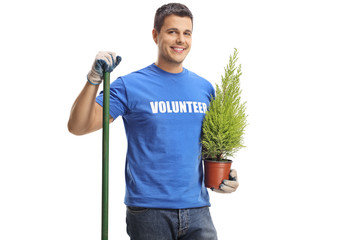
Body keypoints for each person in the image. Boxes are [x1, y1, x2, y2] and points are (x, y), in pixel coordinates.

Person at [68, 3, 239, 240]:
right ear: (155, 35)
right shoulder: (130, 85)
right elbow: (78, 126)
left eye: (186, 33)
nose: (180, 40)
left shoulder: (205, 89)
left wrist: (225, 175)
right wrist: (94, 79)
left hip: (199, 210)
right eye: (172, 32)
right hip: (150, 212)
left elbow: (210, 147)